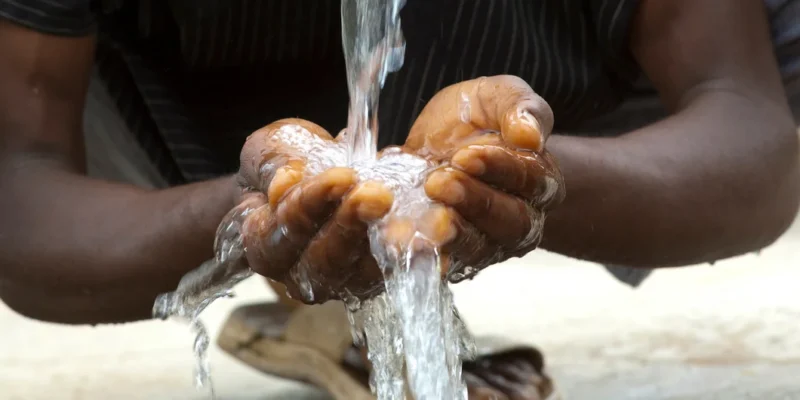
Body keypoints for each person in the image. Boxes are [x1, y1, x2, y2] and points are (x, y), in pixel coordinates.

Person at [1, 0, 798, 399]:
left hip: (556, 68)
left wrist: (534, 178)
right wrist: (248, 213)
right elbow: (22, 186)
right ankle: (324, 284)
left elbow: (748, 123)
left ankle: (351, 289)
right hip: (166, 106)